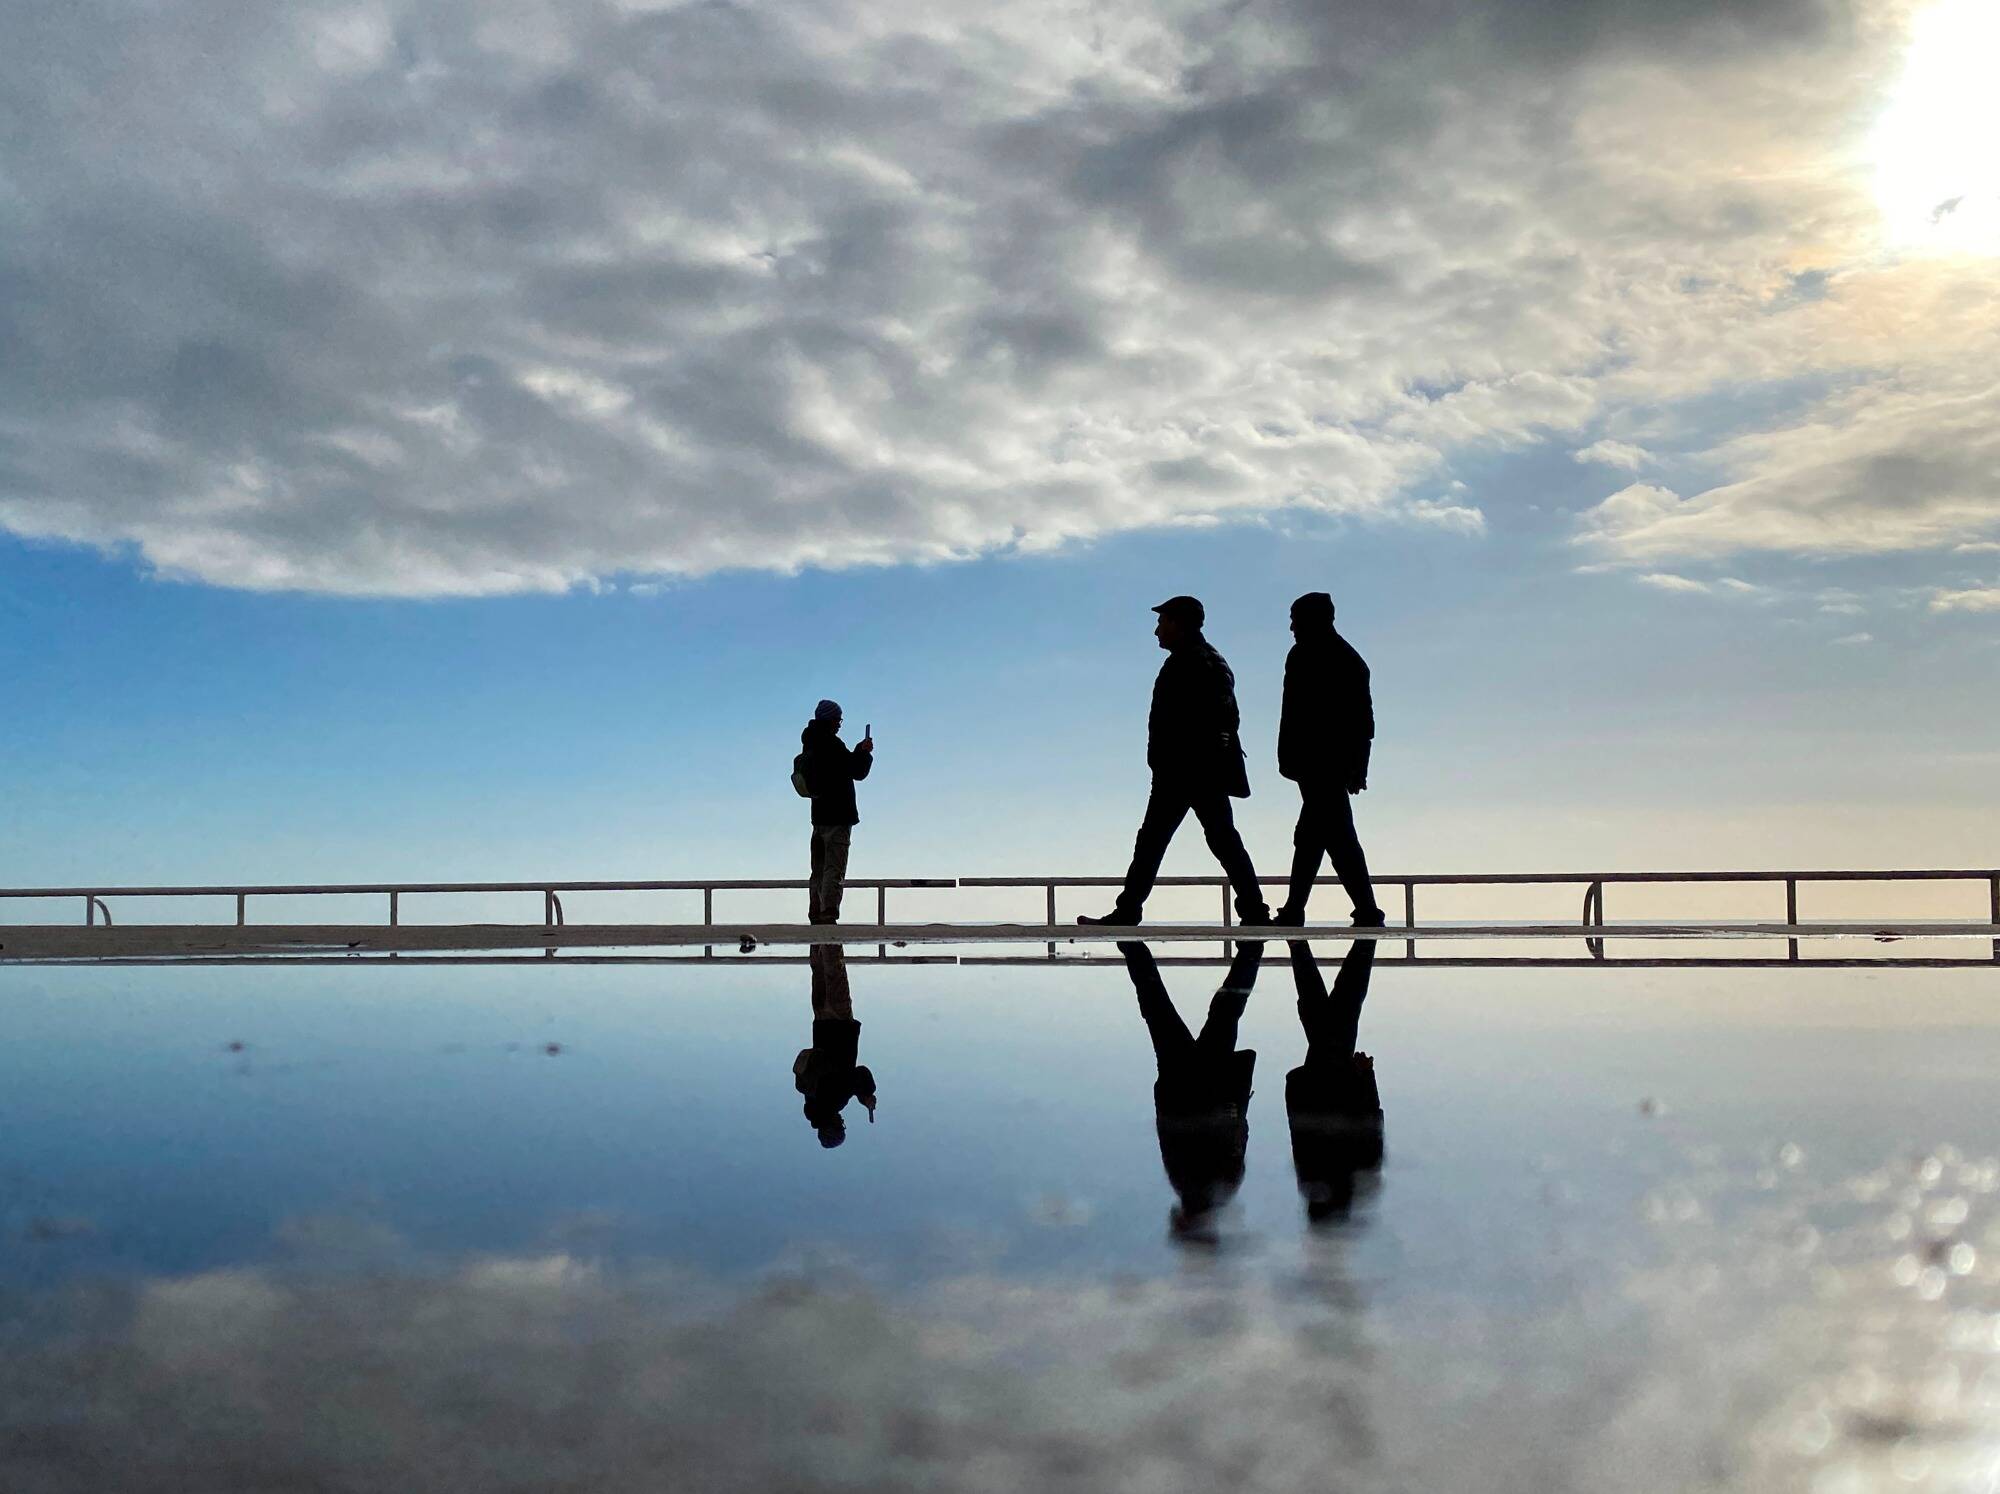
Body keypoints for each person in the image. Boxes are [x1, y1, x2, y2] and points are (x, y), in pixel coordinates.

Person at [1080, 596, 1271, 927]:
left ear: (1179, 624)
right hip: (1185, 771)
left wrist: (1187, 761)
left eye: (1162, 622)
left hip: (1186, 772)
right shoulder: (1198, 660)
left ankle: (1129, 911)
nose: (1157, 631)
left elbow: (1224, 718)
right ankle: (1254, 909)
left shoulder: (1201, 663)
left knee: (1168, 840)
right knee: (1211, 840)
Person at [1117, 938, 1266, 1244]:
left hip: (1207, 1080)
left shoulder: (1222, 1185)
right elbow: (1172, 1131)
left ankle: (1251, 952)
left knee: (1223, 1011)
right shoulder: (1189, 1184)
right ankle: (1132, 947)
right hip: (1185, 1080)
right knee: (1159, 1008)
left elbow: (1237, 1133)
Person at [1272, 592, 1385, 927]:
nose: (1291, 626)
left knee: (1323, 836)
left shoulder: (1340, 659)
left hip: (1326, 764)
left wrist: (1357, 766)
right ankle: (1357, 908)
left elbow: (1363, 720)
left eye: (1296, 618)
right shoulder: (1317, 655)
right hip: (1315, 763)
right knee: (1325, 835)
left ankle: (1352, 909)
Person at [1285, 938, 1383, 1225]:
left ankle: (1365, 936)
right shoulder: (1311, 1181)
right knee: (1326, 1009)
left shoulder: (1360, 1178)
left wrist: (1366, 1076)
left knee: (1344, 1004)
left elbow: (1372, 1124)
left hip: (1340, 1080)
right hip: (1318, 1081)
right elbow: (1298, 1131)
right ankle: (1298, 942)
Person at [793, 944, 877, 1148]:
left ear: (834, 1127)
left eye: (841, 1127)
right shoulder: (810, 1099)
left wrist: (865, 1095)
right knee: (819, 965)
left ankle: (828, 918)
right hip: (821, 1023)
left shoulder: (835, 1101)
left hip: (839, 1023)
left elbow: (860, 1074)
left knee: (833, 962)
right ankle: (818, 920)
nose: (843, 1123)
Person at [799, 699, 873, 924]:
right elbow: (855, 770)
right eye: (838, 719)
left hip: (819, 816)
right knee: (834, 868)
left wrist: (856, 752)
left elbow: (840, 766)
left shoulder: (811, 743)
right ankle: (828, 913)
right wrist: (864, 752)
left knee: (818, 870)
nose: (839, 724)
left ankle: (815, 912)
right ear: (830, 719)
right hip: (838, 816)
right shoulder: (831, 744)